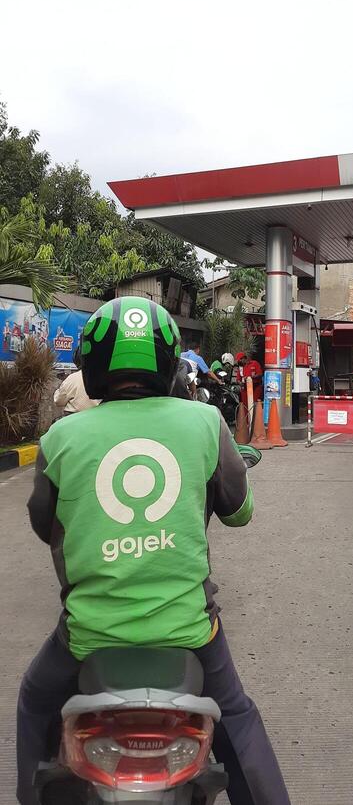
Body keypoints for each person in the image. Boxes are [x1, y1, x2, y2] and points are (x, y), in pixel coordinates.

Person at [17, 296, 290, 805]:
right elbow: (239, 512)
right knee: (235, 713)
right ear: (169, 364)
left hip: (89, 634)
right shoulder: (206, 423)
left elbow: (42, 524)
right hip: (190, 630)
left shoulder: (60, 437)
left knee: (35, 699)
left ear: (92, 363)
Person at [53, 348, 100, 415]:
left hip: (73, 418)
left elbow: (58, 401)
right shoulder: (102, 377)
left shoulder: (71, 378)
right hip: (97, 418)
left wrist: (58, 389)